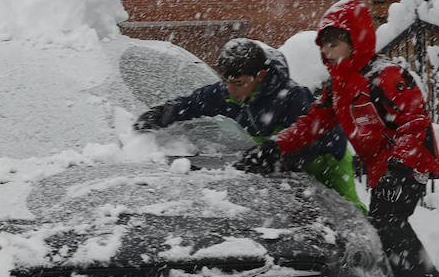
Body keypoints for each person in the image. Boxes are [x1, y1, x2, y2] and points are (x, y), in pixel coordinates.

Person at [237, 0, 439, 277]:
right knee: (384, 223)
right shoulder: (338, 87)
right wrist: (274, 146)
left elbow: (413, 121)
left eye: (335, 43)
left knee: (387, 221)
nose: (327, 51)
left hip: (409, 161)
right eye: (323, 45)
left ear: (357, 40)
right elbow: (312, 124)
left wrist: (400, 166)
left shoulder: (386, 76)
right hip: (382, 165)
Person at [133, 38, 364, 211]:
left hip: (325, 161)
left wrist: (276, 155)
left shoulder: (292, 96)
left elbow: (316, 135)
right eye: (226, 82)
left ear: (261, 76)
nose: (230, 89)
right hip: (281, 161)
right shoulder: (230, 92)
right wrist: (163, 113)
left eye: (239, 83)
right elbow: (195, 102)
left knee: (345, 212)